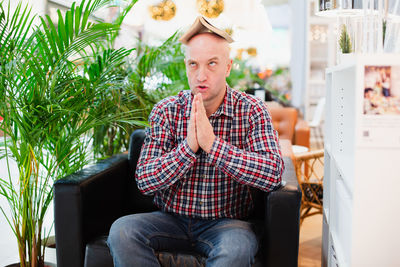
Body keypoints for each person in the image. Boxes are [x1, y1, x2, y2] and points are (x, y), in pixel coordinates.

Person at [107, 16, 284, 267]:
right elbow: (145, 181)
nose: (201, 75)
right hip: (170, 219)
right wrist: (189, 148)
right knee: (122, 231)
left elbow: (273, 173)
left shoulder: (252, 110)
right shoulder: (166, 110)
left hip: (228, 223)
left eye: (212, 63)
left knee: (237, 249)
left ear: (228, 67)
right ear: (186, 66)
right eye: (193, 64)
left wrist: (213, 145)